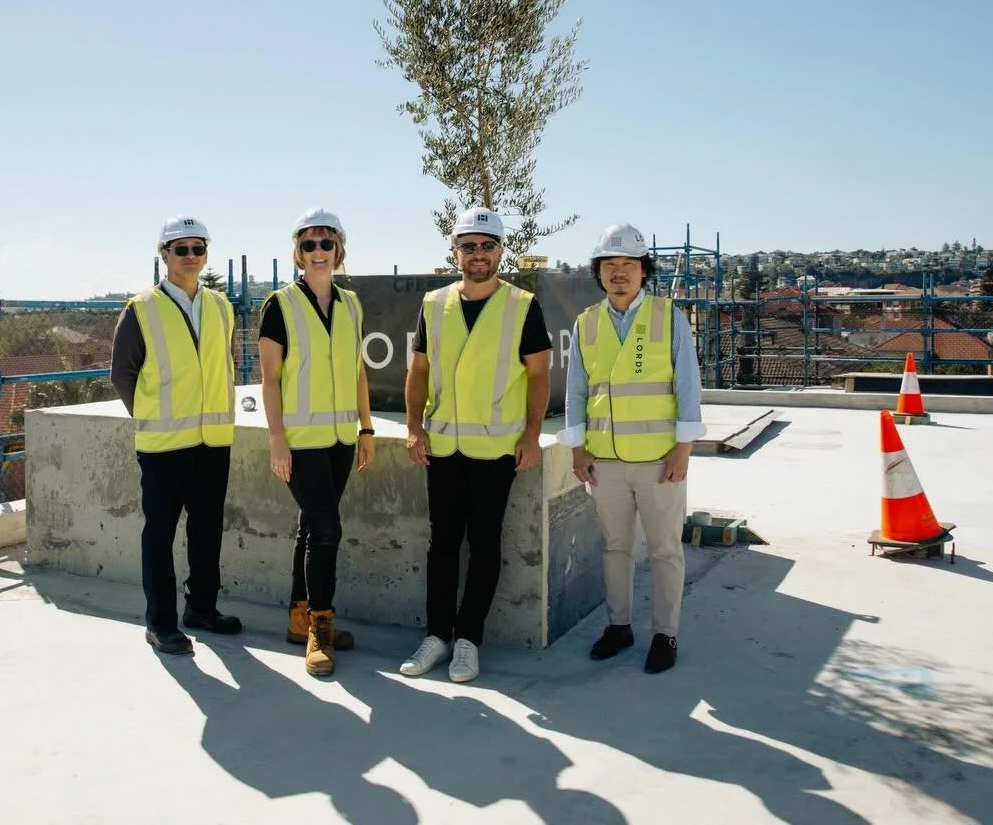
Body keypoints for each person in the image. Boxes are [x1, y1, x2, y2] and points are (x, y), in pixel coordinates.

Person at [399, 207, 552, 683]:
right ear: (455, 252)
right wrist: (413, 427)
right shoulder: (433, 304)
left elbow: (539, 375)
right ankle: (437, 635)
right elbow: (419, 370)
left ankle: (468, 640)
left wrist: (531, 436)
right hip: (443, 447)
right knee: (441, 544)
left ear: (501, 251)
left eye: (487, 246)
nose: (478, 254)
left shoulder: (522, 305)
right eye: (469, 246)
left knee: (485, 544)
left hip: (496, 451)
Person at [558, 222, 706, 673]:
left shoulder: (668, 316)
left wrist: (684, 448)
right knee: (615, 548)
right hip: (605, 461)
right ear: (599, 272)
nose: (618, 272)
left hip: (660, 460)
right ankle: (618, 626)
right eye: (609, 264)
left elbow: (688, 384)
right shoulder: (587, 323)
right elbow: (576, 390)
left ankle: (665, 634)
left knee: (665, 550)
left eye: (628, 264)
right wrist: (577, 447)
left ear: (644, 270)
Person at [110, 215, 242, 656]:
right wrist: (151, 415)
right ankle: (160, 623)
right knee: (159, 537)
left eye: (197, 248)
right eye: (180, 249)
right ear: (163, 254)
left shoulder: (221, 307)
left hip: (213, 441)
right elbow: (123, 374)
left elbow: (225, 365)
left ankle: (201, 608)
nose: (190, 256)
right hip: (164, 447)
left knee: (207, 531)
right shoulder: (142, 308)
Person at [258, 208, 376, 676]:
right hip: (300, 442)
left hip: (341, 439)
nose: (319, 252)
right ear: (298, 253)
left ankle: (298, 618)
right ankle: (320, 628)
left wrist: (366, 429)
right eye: (309, 244)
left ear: (339, 250)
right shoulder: (280, 305)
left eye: (327, 243)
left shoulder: (352, 304)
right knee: (327, 531)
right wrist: (276, 440)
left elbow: (357, 371)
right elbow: (270, 380)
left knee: (311, 528)